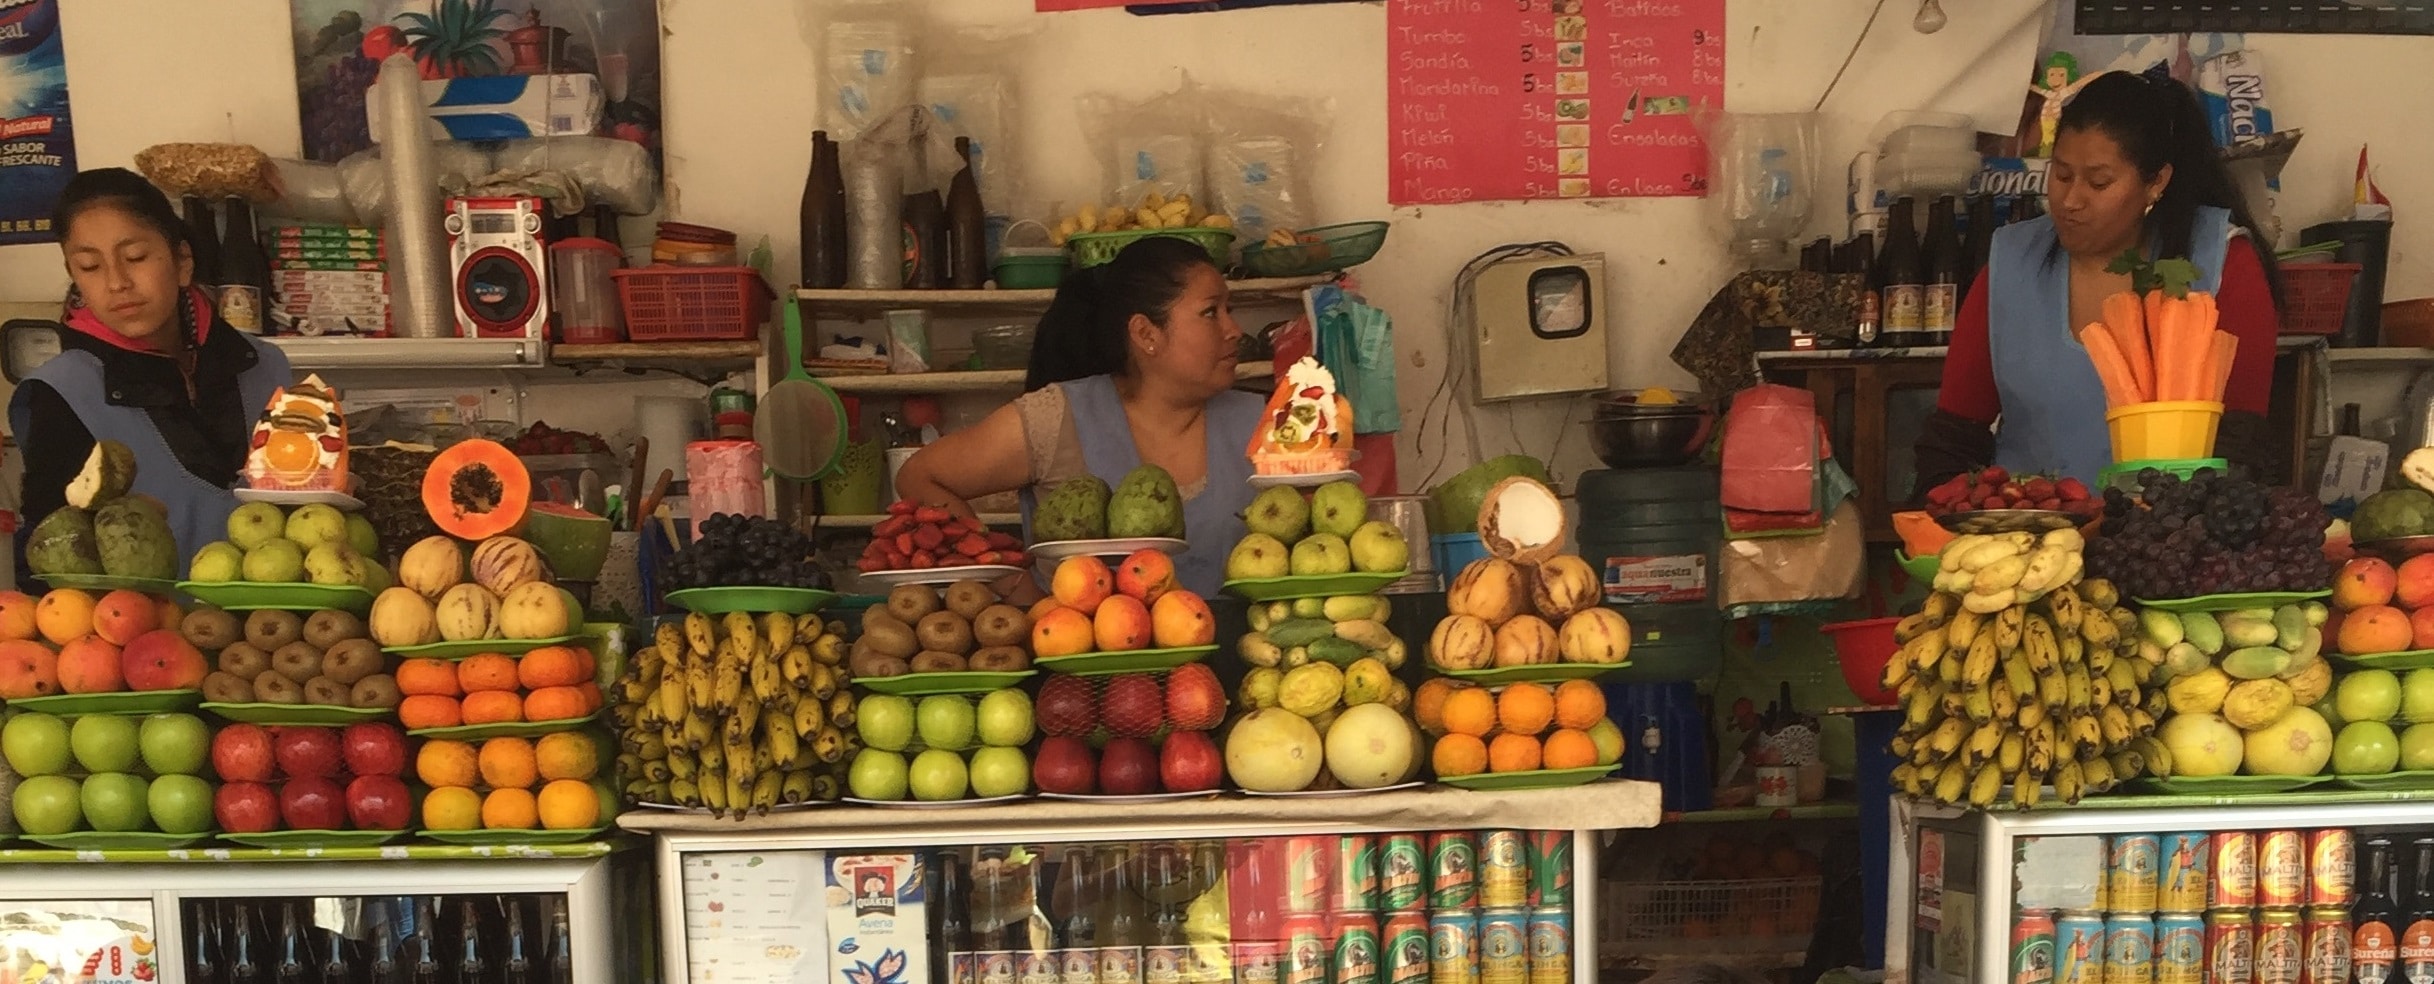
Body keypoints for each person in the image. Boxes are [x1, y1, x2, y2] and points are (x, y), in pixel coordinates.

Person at [1915, 70, 2284, 493]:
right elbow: (1954, 439)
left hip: (2170, 541)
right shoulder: (2012, 263)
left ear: (2156, 183)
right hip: (2029, 539)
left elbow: (2241, 452)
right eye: (2062, 175)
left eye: (2099, 182)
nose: (2071, 200)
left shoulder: (2224, 263)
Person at [891, 236, 1261, 596]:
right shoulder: (1056, 418)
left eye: (1231, 310)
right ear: (1146, 333)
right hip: (1075, 652)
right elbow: (919, 476)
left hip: (1247, 655)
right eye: (1211, 312)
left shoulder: (1266, 423)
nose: (1234, 330)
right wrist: (1013, 585)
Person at [11, 168, 292, 585]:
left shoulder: (267, 368)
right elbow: (46, 572)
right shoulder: (64, 394)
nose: (117, 283)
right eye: (90, 266)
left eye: (136, 258)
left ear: (182, 262)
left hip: (292, 641)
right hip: (145, 644)